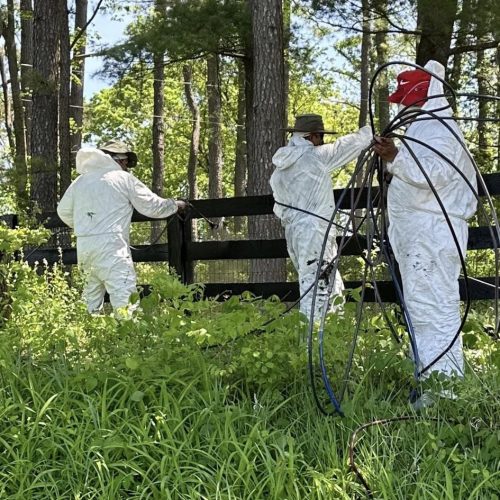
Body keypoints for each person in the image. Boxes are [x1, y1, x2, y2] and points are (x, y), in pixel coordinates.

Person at [374, 61, 477, 408]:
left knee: (434, 307)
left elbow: (433, 174)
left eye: (407, 101)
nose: (402, 107)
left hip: (432, 234)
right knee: (422, 308)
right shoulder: (422, 128)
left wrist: (395, 158)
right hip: (420, 236)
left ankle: (444, 391)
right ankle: (431, 380)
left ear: (421, 98)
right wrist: (393, 159)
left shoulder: (439, 131)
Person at [57, 141, 186, 314]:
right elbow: (152, 206)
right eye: (125, 161)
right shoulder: (123, 179)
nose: (126, 166)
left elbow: (63, 211)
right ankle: (129, 338)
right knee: (125, 300)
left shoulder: (80, 182)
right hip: (112, 247)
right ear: (118, 160)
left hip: (85, 247)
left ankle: (89, 337)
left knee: (90, 300)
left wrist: (88, 227)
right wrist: (176, 205)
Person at [270, 114, 372, 321]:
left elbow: (278, 207)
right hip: (314, 231)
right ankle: (313, 339)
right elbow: (345, 146)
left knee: (328, 283)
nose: (322, 141)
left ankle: (332, 333)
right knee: (316, 285)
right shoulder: (314, 157)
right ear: (313, 137)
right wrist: (369, 133)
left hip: (295, 232)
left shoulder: (280, 171)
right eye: (321, 137)